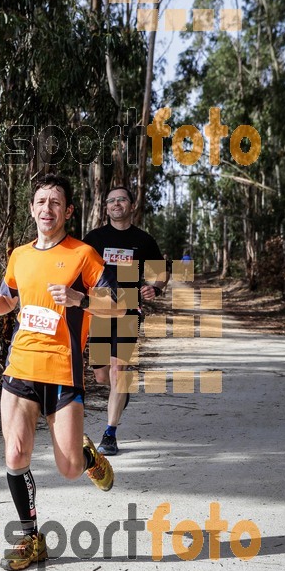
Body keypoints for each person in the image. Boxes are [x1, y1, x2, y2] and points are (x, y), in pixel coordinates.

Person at [0, 174, 125, 571]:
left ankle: (87, 456)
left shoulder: (84, 255)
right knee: (15, 451)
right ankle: (30, 538)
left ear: (68, 211)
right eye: (40, 201)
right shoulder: (19, 255)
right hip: (20, 365)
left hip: (63, 371)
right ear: (32, 208)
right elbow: (7, 301)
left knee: (68, 468)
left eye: (55, 202)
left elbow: (118, 307)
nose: (47, 209)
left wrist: (80, 299)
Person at [83, 186, 168, 457]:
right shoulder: (94, 239)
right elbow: (81, 271)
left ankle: (110, 434)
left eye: (122, 199)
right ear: (105, 207)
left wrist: (154, 287)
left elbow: (161, 272)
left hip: (130, 311)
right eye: (111, 200)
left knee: (119, 369)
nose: (117, 204)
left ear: (132, 205)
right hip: (98, 312)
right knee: (101, 374)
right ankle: (121, 394)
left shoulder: (143, 240)